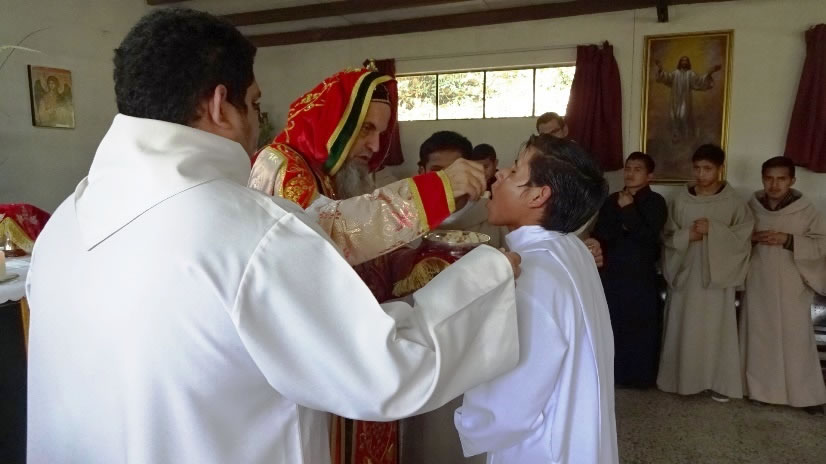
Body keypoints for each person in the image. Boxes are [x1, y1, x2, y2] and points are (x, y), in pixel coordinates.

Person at [25, 9, 521, 464]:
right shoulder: (252, 228)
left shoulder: (62, 225)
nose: (259, 124)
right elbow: (386, 372)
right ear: (220, 105)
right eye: (254, 104)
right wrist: (487, 277)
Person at [454, 135, 618, 464]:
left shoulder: (530, 271)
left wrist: (468, 420)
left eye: (515, 171)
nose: (499, 173)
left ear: (539, 195)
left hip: (540, 448)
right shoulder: (572, 249)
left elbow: (510, 397)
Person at [249, 69, 488, 266]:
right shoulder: (280, 162)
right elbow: (323, 236)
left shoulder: (336, 174)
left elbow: (367, 265)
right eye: (366, 129)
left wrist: (432, 261)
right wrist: (437, 188)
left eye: (381, 134)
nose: (376, 146)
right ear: (333, 125)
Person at [657, 144, 753, 402]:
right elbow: (666, 235)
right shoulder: (680, 199)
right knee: (683, 327)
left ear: (720, 168)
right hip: (686, 273)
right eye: (697, 168)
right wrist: (688, 235)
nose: (701, 174)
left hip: (717, 279)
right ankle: (680, 379)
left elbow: (743, 238)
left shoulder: (733, 202)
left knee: (716, 332)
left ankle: (716, 383)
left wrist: (714, 231)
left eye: (707, 169)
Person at [740, 156, 826, 415]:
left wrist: (788, 240)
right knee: (760, 336)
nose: (774, 185)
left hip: (792, 281)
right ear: (762, 179)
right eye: (769, 178)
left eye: (781, 179)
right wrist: (752, 237)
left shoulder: (807, 210)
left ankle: (805, 395)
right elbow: (735, 237)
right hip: (758, 279)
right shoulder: (751, 207)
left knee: (796, 338)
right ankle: (761, 391)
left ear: (792, 180)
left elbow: (822, 242)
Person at [591, 152, 668, 388]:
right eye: (628, 168)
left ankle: (640, 378)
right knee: (614, 323)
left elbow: (648, 236)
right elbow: (603, 232)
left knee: (640, 325)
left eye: (637, 169)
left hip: (641, 272)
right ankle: (614, 375)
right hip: (613, 271)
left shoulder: (656, 202)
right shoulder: (611, 199)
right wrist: (623, 226)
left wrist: (628, 211)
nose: (630, 173)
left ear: (649, 176)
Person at [417, 132, 507, 249]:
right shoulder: (407, 221)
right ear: (422, 173)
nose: (448, 179)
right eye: (437, 171)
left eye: (456, 170)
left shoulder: (492, 217)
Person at [653, 56, 722, 142]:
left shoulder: (690, 74)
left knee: (683, 116)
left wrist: (710, 73)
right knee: (674, 117)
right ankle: (675, 137)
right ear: (680, 62)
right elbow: (667, 78)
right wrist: (660, 69)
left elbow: (699, 81)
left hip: (685, 100)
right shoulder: (675, 73)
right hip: (675, 99)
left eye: (686, 61)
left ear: (688, 63)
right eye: (682, 61)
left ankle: (685, 137)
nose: (684, 62)